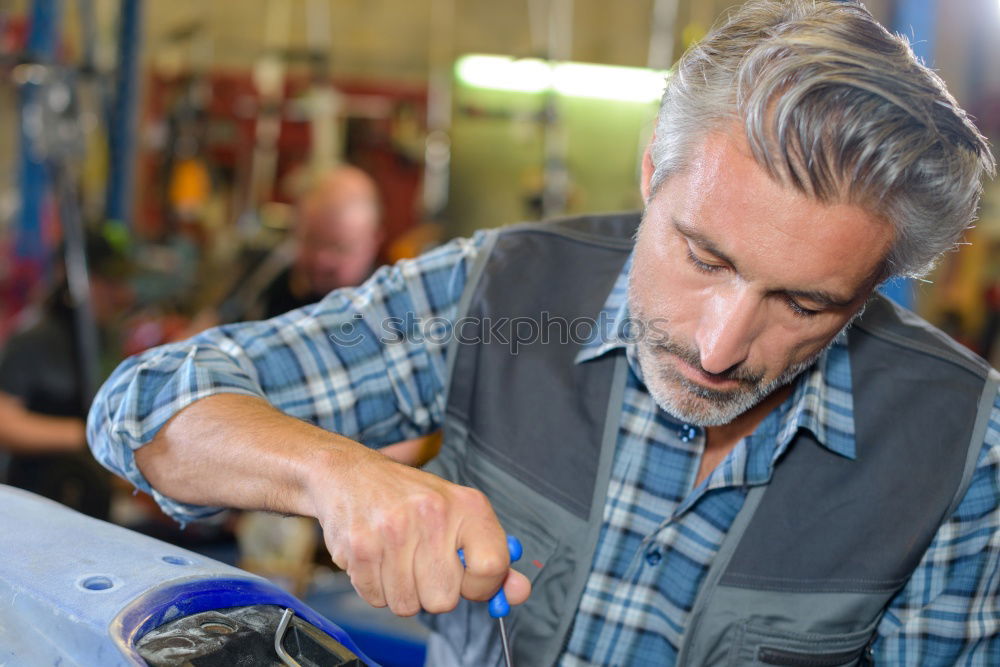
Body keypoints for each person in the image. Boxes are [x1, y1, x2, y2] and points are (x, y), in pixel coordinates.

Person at [88, 1, 998, 664]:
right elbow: (143, 407)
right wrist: (335, 473)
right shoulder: (500, 290)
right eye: (702, 257)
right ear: (652, 172)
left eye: (805, 305)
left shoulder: (961, 450)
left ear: (875, 284)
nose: (719, 348)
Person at [3, 230, 133, 519]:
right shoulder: (33, 339)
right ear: (69, 275)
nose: (121, 294)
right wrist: (84, 435)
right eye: (108, 282)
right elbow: (6, 424)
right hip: (33, 502)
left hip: (90, 500)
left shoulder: (105, 337)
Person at [221, 165, 383, 322]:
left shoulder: (385, 314)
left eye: (339, 248)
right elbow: (213, 323)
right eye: (312, 240)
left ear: (374, 241)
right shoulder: (268, 274)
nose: (321, 260)